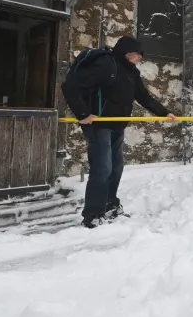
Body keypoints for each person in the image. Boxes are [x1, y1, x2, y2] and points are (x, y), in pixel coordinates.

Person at [61, 36, 176, 228]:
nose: (140, 57)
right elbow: (70, 86)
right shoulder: (106, 65)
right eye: (138, 54)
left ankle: (109, 206)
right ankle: (93, 214)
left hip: (117, 125)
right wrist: (83, 113)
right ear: (127, 52)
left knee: (116, 168)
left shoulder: (131, 72)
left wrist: (165, 112)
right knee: (103, 168)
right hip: (99, 125)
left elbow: (143, 97)